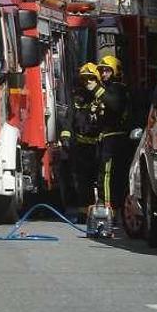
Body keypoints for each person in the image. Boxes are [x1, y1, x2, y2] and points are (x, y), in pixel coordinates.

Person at [59, 63, 105, 216]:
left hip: (100, 147)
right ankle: (85, 213)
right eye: (85, 80)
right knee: (83, 182)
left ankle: (105, 212)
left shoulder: (102, 96)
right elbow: (69, 120)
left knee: (101, 180)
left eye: (91, 79)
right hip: (81, 148)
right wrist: (66, 137)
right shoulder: (77, 99)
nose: (88, 83)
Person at [96, 55, 130, 213]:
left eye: (107, 71)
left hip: (115, 138)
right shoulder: (108, 89)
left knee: (108, 173)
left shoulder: (118, 89)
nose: (103, 74)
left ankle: (107, 205)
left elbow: (114, 105)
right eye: (102, 71)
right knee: (107, 173)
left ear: (115, 72)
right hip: (108, 137)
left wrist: (96, 90)